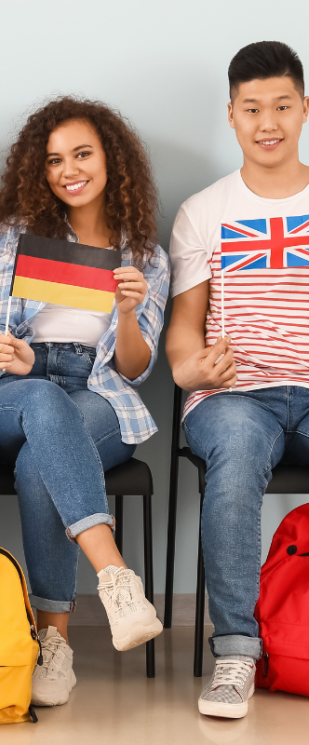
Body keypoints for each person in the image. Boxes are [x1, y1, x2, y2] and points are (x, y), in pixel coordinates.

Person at [0, 97, 168, 707]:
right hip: (16, 389)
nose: (68, 170)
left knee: (40, 462)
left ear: (111, 160)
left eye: (82, 154)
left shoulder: (145, 257)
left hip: (99, 391)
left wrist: (130, 311)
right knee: (43, 411)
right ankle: (114, 575)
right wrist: (10, 352)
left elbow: (136, 366)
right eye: (54, 160)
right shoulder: (17, 236)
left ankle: (52, 643)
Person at [166, 40, 309, 720]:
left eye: (282, 105)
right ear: (231, 116)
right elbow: (184, 328)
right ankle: (235, 650)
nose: (268, 121)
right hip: (234, 395)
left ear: (304, 108)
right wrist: (190, 367)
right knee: (238, 457)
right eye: (252, 108)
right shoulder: (204, 211)